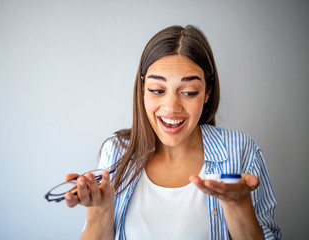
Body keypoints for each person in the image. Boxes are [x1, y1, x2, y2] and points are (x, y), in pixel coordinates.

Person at [64, 25, 281, 240]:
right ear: (142, 90)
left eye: (188, 92)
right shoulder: (116, 152)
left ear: (207, 93)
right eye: (157, 90)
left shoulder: (240, 150)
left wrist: (239, 206)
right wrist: (99, 213)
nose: (171, 107)